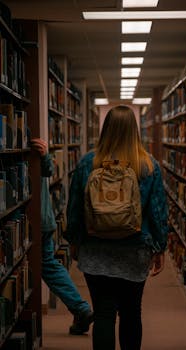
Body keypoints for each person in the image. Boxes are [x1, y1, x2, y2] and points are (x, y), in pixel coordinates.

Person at [65, 105, 169, 350]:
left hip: (96, 249)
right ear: (135, 131)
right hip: (135, 251)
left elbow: (75, 208)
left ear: (105, 130)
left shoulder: (87, 162)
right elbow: (157, 211)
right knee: (132, 313)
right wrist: (160, 246)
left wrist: (74, 240)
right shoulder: (148, 165)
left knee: (103, 314)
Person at [30, 138, 93, 335]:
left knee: (47, 266)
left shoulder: (33, 145)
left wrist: (45, 155)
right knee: (48, 266)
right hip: (42, 220)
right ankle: (81, 310)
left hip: (37, 221)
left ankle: (81, 309)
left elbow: (48, 170)